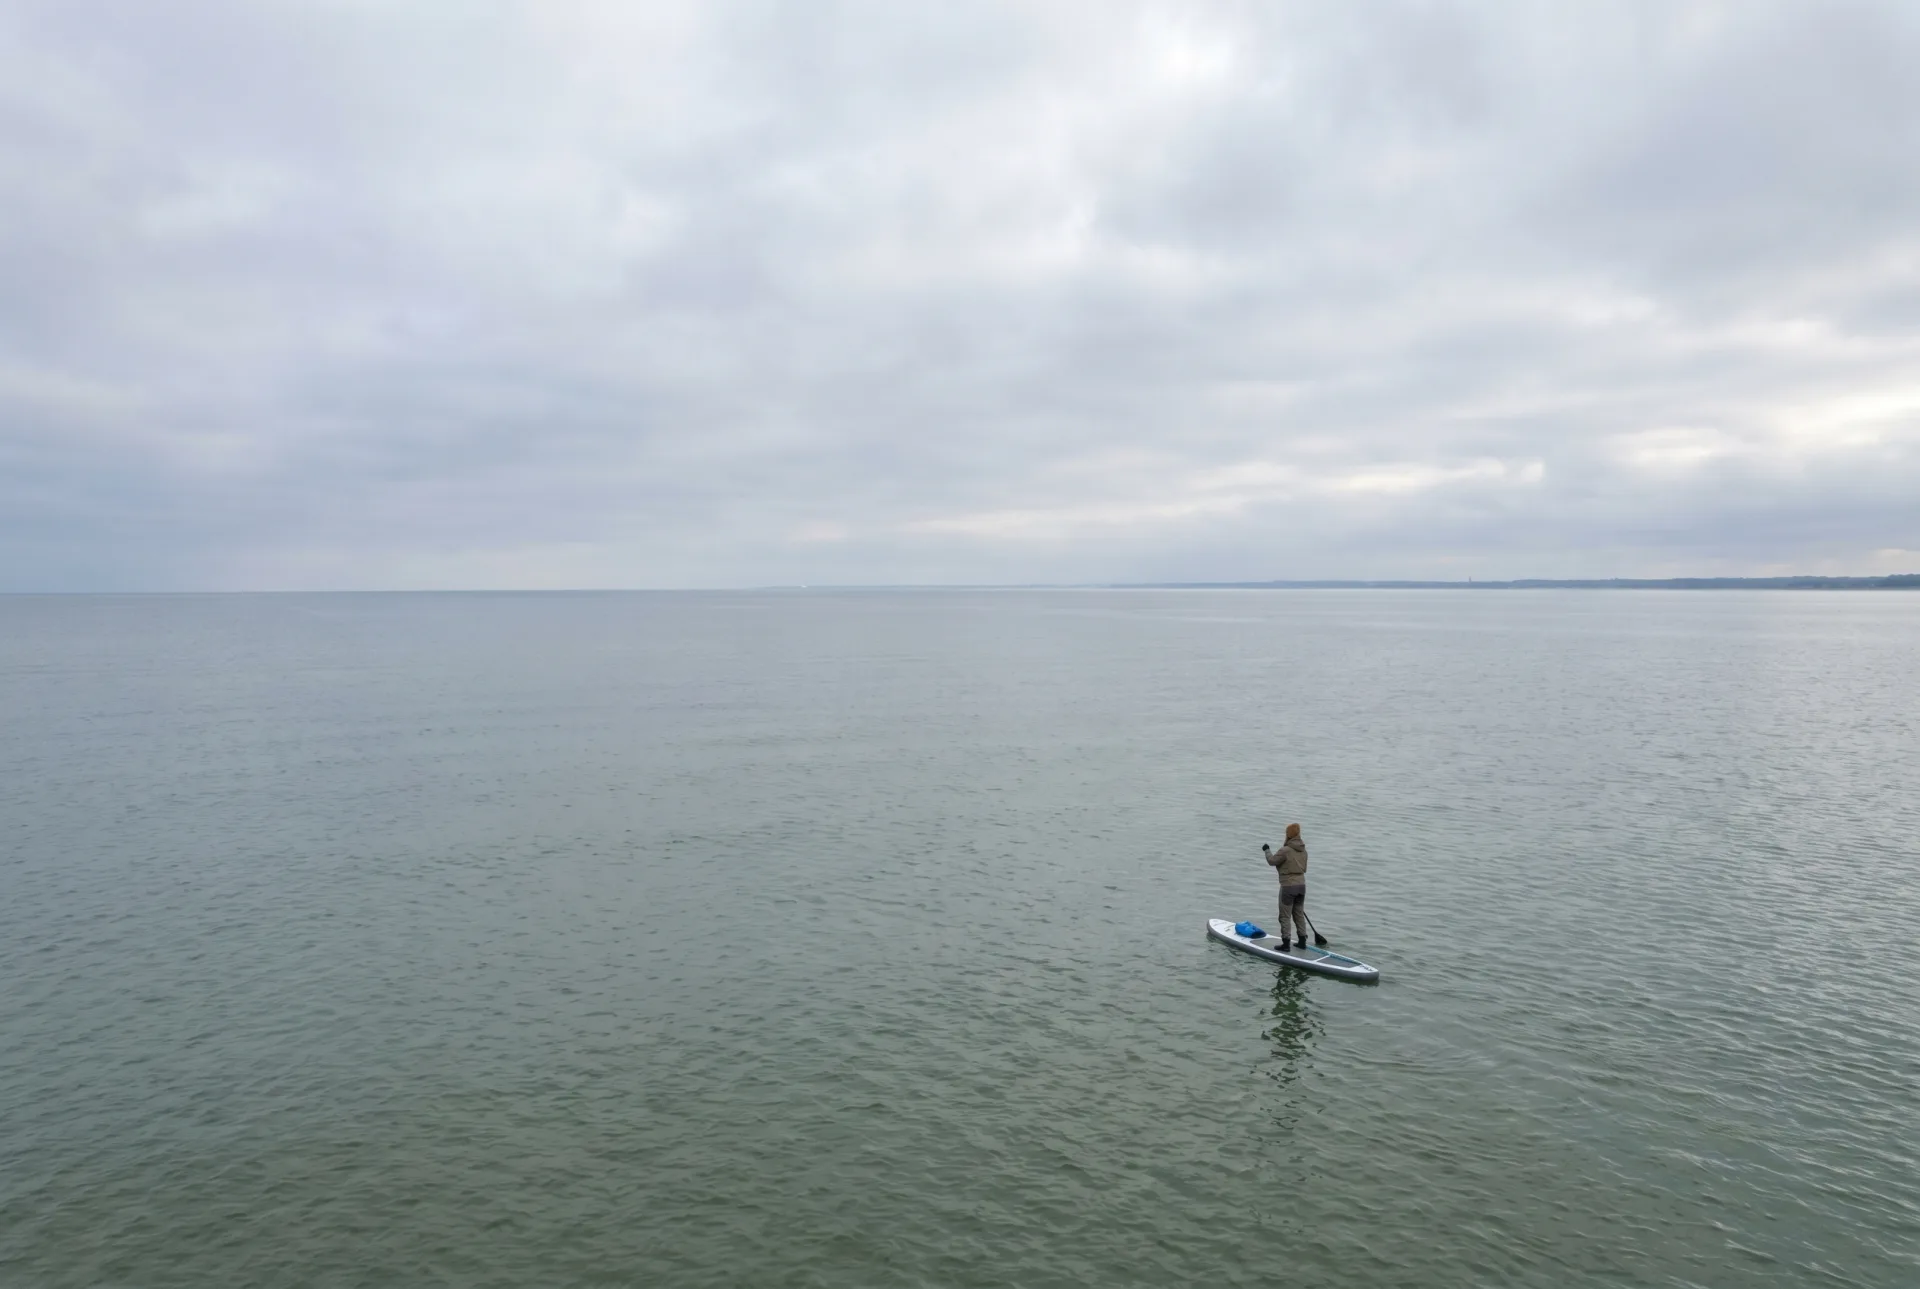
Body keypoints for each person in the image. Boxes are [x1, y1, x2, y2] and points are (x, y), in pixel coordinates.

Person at [1262, 823, 1310, 950]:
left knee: (1285, 916)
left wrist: (1267, 850)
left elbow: (1272, 861)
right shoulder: (1304, 851)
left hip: (1288, 887)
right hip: (1301, 886)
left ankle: (1286, 944)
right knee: (1299, 914)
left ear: (1288, 834)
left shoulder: (1285, 850)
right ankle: (1302, 942)